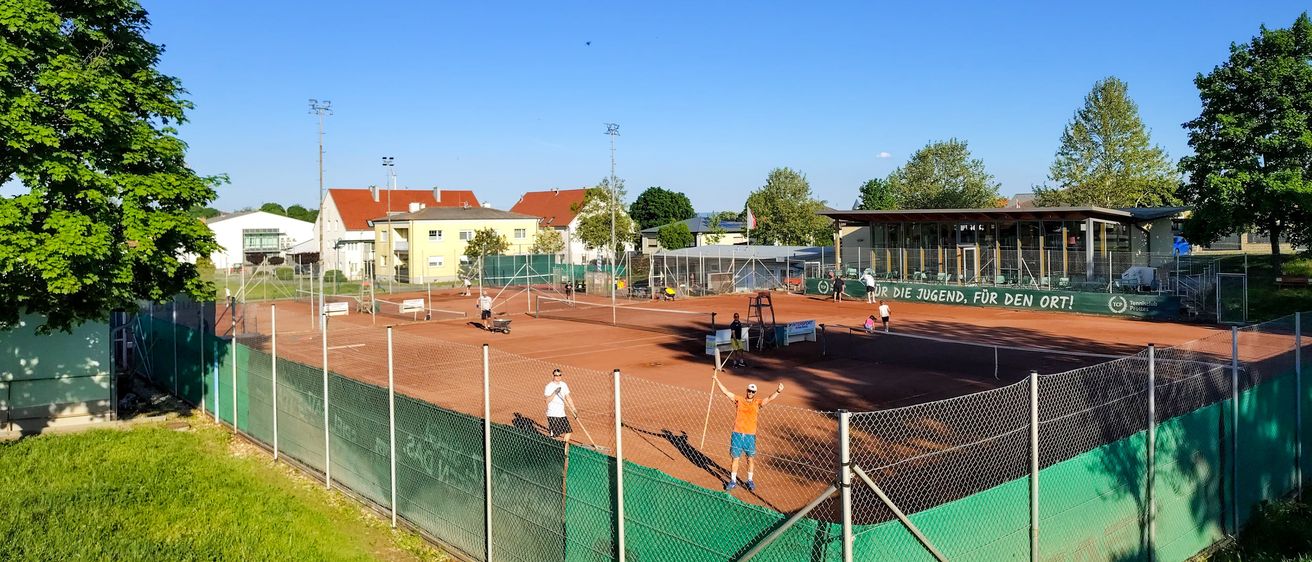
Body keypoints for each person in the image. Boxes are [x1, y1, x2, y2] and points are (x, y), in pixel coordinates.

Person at [712, 374, 783, 492]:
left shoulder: (757, 403)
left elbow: (769, 399)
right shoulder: (739, 400)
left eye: (752, 391)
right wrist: (716, 380)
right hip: (737, 433)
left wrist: (778, 391)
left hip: (750, 435)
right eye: (749, 390)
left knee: (750, 458)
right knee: (735, 458)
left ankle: (749, 480)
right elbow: (726, 392)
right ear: (746, 391)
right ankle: (733, 481)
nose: (750, 393)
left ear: (755, 393)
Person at [543, 369, 575, 443]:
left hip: (561, 413)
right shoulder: (549, 386)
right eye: (556, 375)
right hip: (553, 414)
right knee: (554, 436)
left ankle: (562, 446)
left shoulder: (563, 384)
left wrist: (573, 409)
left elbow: (568, 397)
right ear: (553, 376)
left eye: (559, 375)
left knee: (568, 431)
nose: (558, 377)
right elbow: (546, 401)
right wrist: (554, 393)